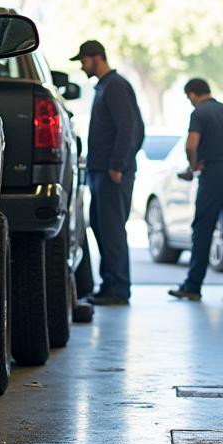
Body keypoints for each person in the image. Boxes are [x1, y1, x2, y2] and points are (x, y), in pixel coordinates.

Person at [71, 40, 144, 306]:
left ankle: (119, 288)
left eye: (84, 61)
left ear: (97, 58)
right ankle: (109, 284)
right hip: (100, 171)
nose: (82, 66)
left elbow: (131, 128)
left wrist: (118, 165)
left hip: (112, 173)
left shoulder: (116, 86)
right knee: (101, 227)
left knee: (112, 230)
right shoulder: (104, 87)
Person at [168, 78, 223, 302]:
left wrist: (194, 166)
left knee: (202, 228)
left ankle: (193, 286)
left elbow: (190, 145)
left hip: (213, 173)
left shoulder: (200, 114)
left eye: (189, 98)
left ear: (193, 94)